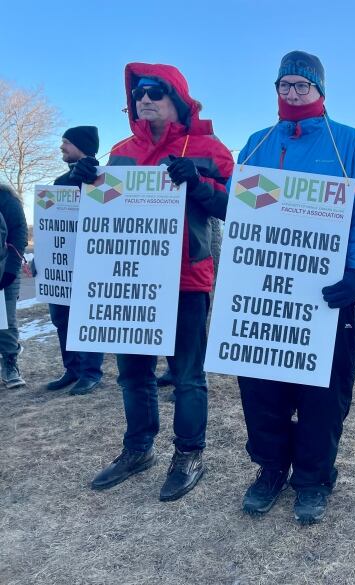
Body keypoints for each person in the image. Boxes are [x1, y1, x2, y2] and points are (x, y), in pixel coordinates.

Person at [235, 50, 355, 524]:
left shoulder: (352, 144)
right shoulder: (257, 143)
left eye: (302, 85)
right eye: (285, 85)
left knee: (323, 394)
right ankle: (270, 469)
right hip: (267, 297)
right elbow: (239, 209)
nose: (293, 93)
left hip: (330, 296)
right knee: (262, 388)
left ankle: (314, 477)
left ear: (321, 91)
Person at [72, 63, 234, 501]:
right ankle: (138, 448)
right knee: (133, 373)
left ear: (177, 98)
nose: (144, 99)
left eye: (155, 92)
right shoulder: (122, 151)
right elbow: (102, 211)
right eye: (138, 94)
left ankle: (188, 454)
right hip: (131, 279)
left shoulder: (208, 147)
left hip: (186, 278)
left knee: (187, 376)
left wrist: (198, 183)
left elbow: (234, 206)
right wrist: (84, 181)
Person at [45, 126, 105, 395]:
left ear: (81, 145)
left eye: (66, 143)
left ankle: (91, 371)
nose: (61, 147)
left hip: (92, 260)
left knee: (88, 315)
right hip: (63, 260)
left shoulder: (103, 178)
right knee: (61, 315)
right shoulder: (59, 182)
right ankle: (73, 368)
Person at [0, 183, 27, 389]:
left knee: (4, 320)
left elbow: (18, 234)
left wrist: (10, 269)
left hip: (4, 268)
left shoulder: (6, 197)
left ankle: (10, 364)